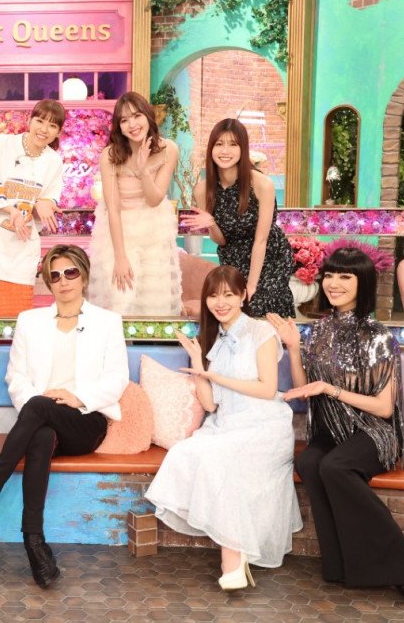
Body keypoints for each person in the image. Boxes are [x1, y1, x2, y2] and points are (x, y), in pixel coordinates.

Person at [268, 247, 404, 610]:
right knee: (309, 463)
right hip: (332, 430)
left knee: (335, 467)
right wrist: (293, 348)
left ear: (362, 282)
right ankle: (342, 565)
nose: (333, 283)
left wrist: (332, 389)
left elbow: (383, 408)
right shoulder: (317, 331)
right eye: (329, 275)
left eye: (345, 276)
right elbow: (306, 390)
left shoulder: (379, 336)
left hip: (374, 432)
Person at [0, 245, 128, 588]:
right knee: (40, 434)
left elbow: (117, 379)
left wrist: (77, 397)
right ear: (47, 282)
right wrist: (38, 406)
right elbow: (16, 377)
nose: (63, 281)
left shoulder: (107, 322)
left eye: (70, 272)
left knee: (40, 409)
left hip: (86, 419)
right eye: (55, 276)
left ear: (84, 276)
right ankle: (35, 545)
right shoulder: (30, 321)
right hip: (41, 419)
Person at [146, 265, 301, 591]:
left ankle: (231, 560)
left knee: (225, 461)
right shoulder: (213, 337)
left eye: (229, 294)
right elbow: (211, 405)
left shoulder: (261, 332)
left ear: (243, 296)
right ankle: (237, 555)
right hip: (227, 423)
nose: (221, 302)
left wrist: (217, 376)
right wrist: (199, 366)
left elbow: (266, 388)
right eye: (214, 296)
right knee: (187, 452)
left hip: (264, 423)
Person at [0, 99, 66, 317]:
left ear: (58, 132)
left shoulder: (54, 161)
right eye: (40, 121)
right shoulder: (3, 144)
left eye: (52, 125)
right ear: (30, 120)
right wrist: (12, 211)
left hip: (22, 246)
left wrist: (42, 205)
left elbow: (48, 199)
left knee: (20, 315)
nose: (44, 129)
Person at [183, 118, 294, 317]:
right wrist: (211, 224)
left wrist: (251, 286)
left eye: (233, 144)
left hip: (268, 256)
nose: (225, 151)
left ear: (243, 149)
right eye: (219, 144)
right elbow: (221, 241)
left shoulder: (262, 184)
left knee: (257, 306)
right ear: (211, 149)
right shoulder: (202, 190)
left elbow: (261, 240)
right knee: (233, 313)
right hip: (232, 257)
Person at [88, 91, 183, 316]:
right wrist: (120, 257)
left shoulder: (168, 149)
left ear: (148, 117)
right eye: (124, 120)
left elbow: (154, 199)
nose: (132, 124)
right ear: (118, 127)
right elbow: (113, 210)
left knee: (154, 304)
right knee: (122, 299)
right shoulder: (110, 155)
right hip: (119, 233)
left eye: (137, 116)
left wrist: (143, 170)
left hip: (153, 231)